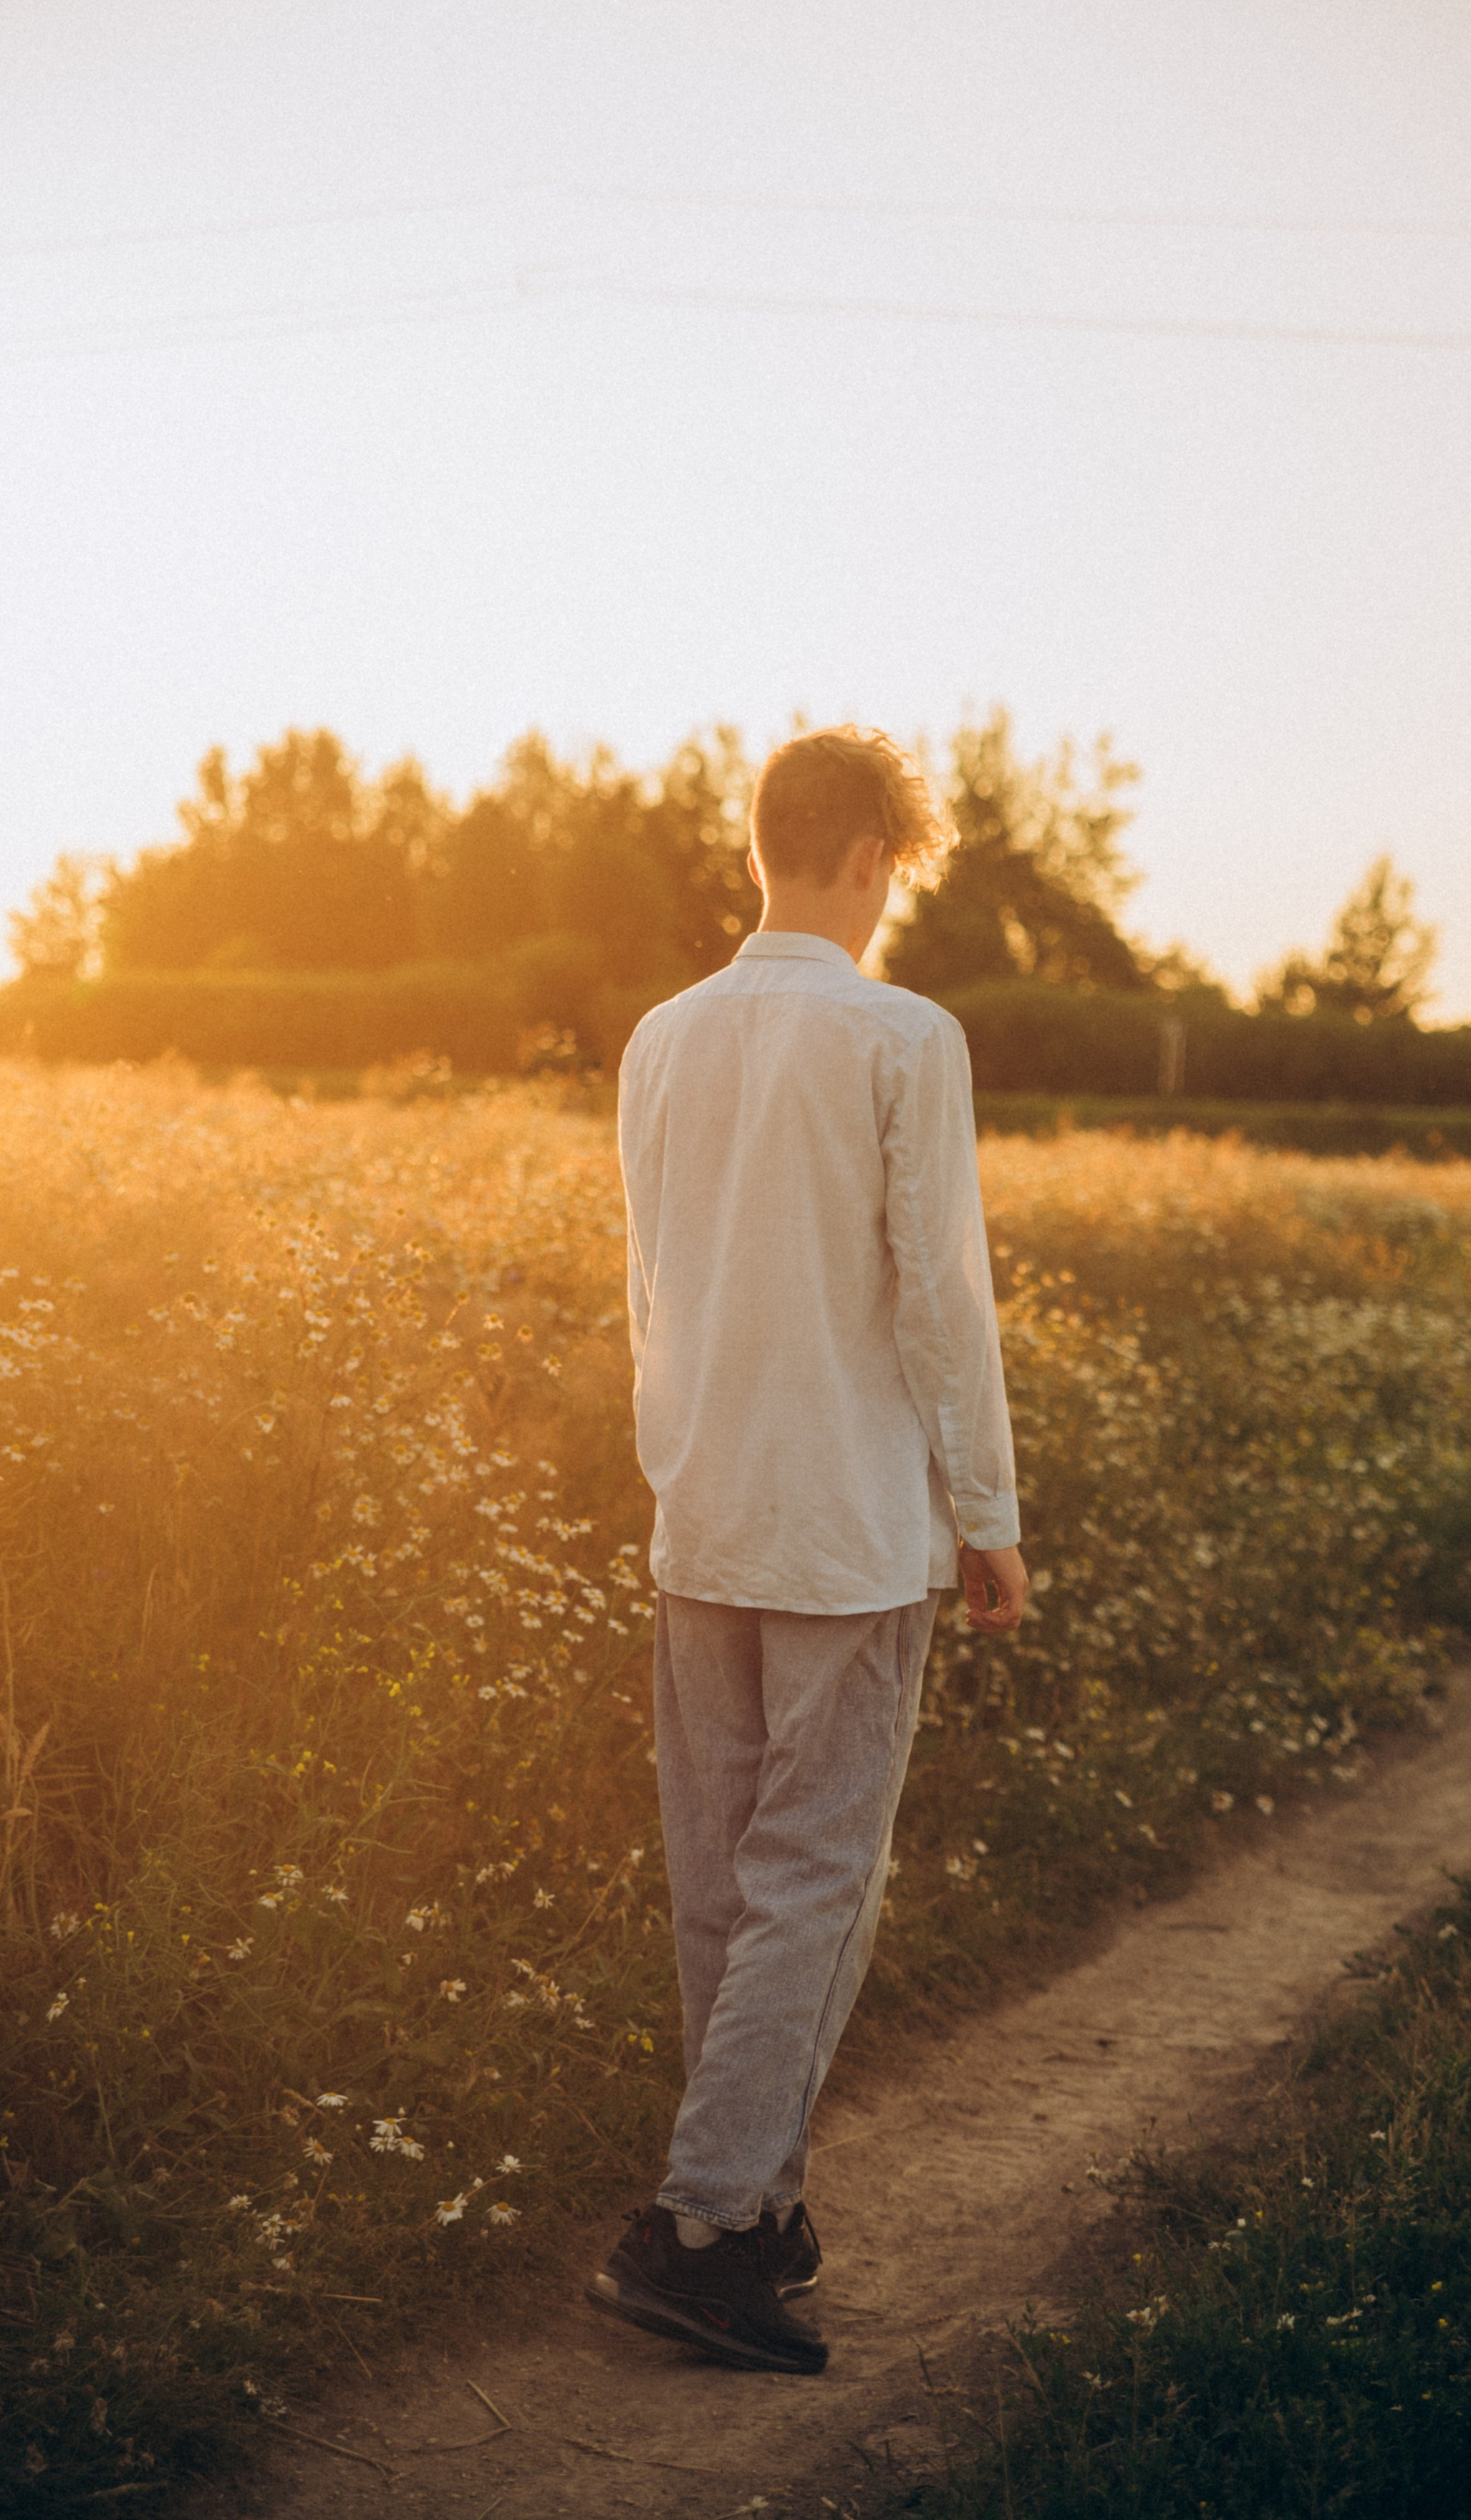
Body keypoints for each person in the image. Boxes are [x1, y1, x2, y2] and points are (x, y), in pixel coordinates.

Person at [587, 725, 1028, 2377]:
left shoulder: (661, 1036)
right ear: (868, 857)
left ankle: (756, 2208)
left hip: (702, 1512)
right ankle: (701, 2226)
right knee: (812, 1882)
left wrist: (676, 1472)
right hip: (844, 1526)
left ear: (758, 844)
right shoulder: (902, 1035)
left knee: (726, 1884)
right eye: (893, 869)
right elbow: (939, 1296)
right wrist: (984, 1511)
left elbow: (650, 1288)